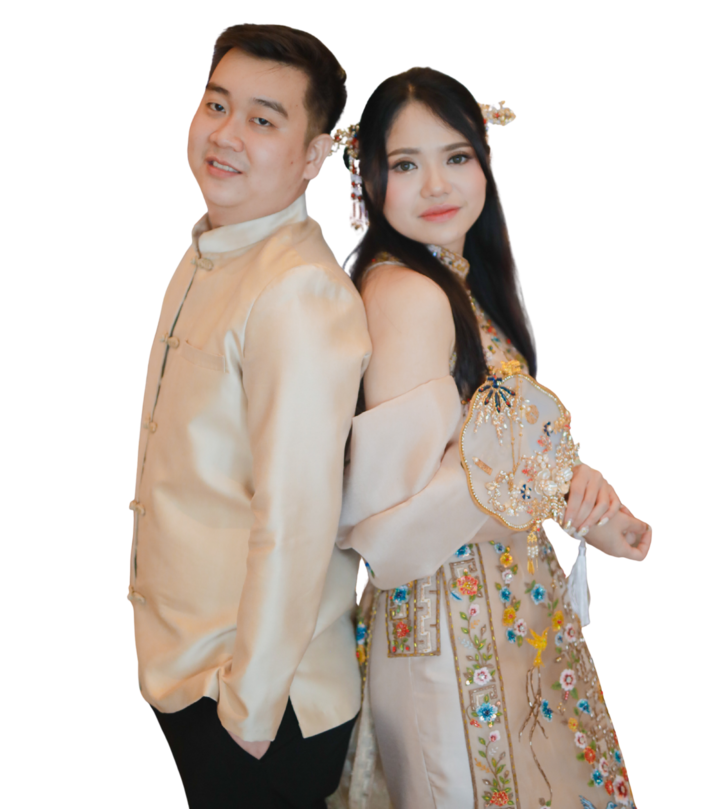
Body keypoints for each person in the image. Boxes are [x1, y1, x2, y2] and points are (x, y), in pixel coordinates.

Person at [330, 66, 652, 809]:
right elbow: (394, 523)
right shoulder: (409, 293)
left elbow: (495, 448)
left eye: (456, 156)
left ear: (485, 159)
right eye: (405, 164)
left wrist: (576, 493)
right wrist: (550, 481)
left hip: (496, 613)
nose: (436, 184)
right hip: (450, 631)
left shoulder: (450, 278)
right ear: (366, 178)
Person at [127, 22, 373, 809]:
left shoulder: (296, 290)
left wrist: (250, 710)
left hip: (261, 701)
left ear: (314, 154)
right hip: (189, 670)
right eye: (216, 105)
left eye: (263, 120)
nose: (226, 134)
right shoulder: (211, 245)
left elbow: (297, 519)